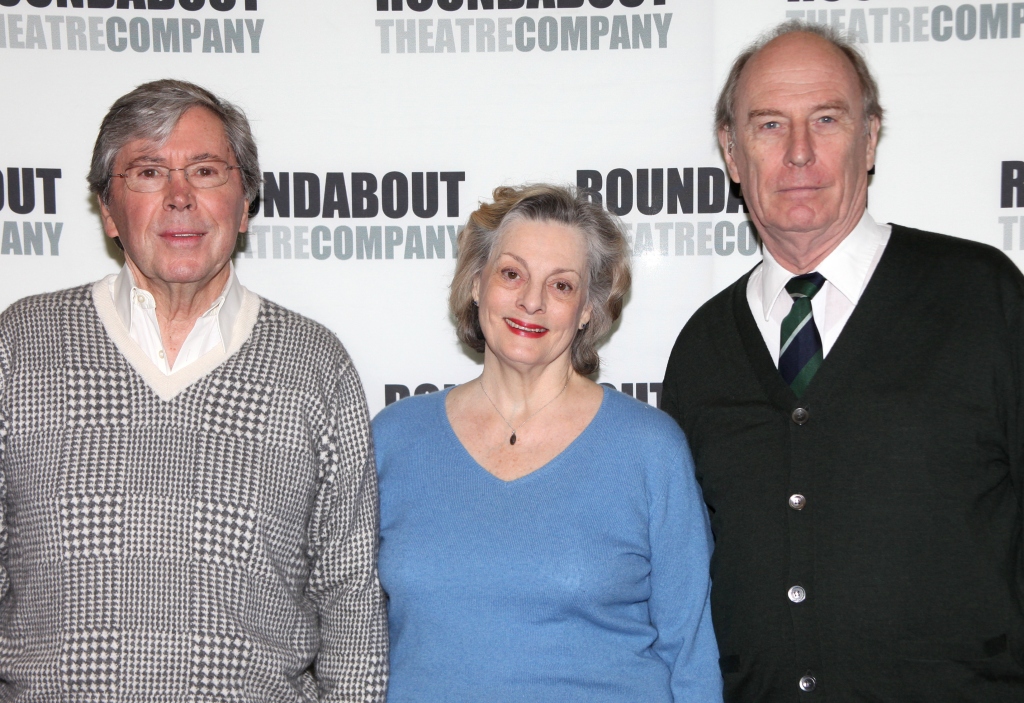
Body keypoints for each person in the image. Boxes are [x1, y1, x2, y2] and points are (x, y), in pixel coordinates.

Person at [661, 20, 1024, 702]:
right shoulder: (702, 347)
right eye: (769, 125)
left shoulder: (984, 297)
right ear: (732, 153)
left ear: (872, 137)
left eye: (826, 118)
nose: (799, 152)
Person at [0, 80, 387, 700]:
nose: (180, 198)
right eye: (149, 173)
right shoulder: (20, 346)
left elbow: (350, 600)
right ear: (107, 208)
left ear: (245, 201)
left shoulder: (314, 365)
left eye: (205, 172)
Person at [373, 184, 721, 702]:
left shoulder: (648, 450)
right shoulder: (393, 438)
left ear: (588, 309)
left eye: (561, 286)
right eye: (511, 274)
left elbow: (689, 651)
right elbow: (348, 633)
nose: (531, 301)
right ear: (475, 283)